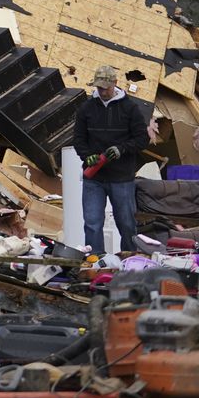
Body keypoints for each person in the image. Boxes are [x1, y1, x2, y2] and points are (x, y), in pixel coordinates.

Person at [73, 64, 150, 255]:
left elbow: (142, 139)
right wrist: (86, 155)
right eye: (99, 88)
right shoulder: (86, 108)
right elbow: (78, 139)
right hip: (94, 178)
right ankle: (95, 262)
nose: (103, 91)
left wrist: (122, 149)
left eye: (106, 88)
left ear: (115, 84)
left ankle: (130, 261)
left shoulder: (130, 108)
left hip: (122, 178)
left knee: (126, 223)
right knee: (92, 223)